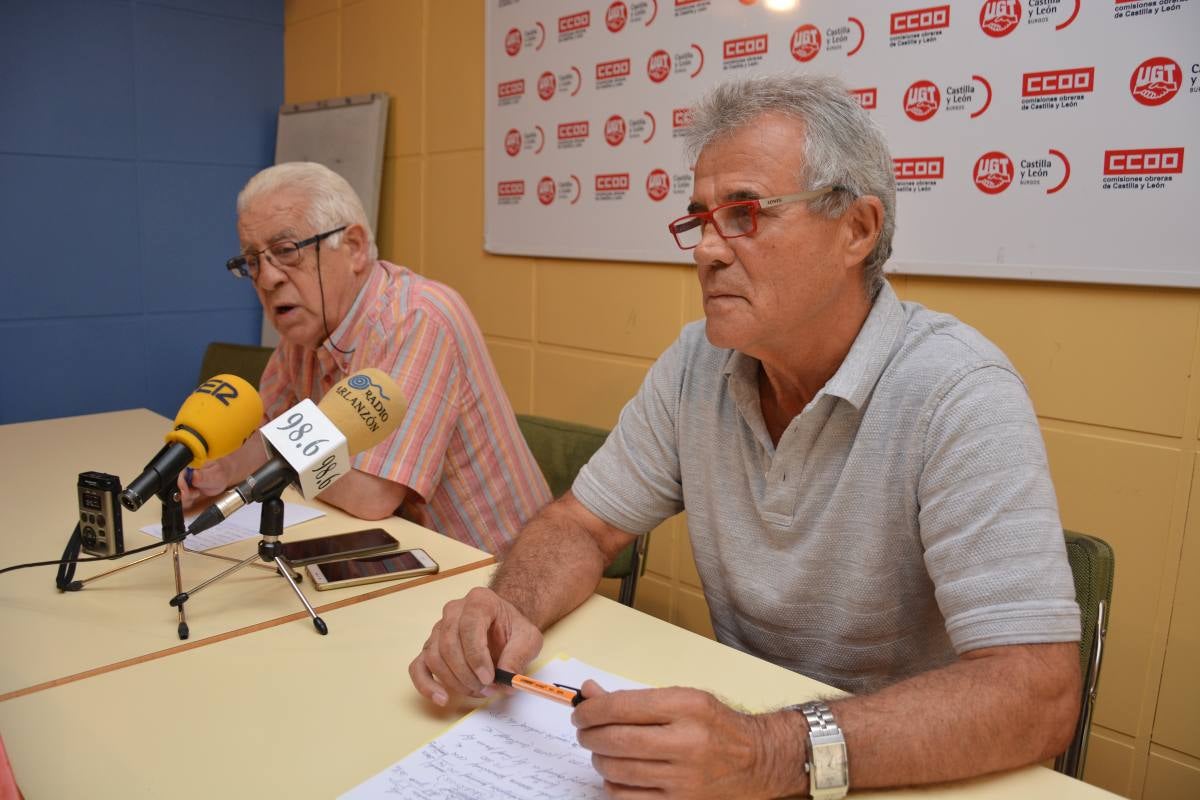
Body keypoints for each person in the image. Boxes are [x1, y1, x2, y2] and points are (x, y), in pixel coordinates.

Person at [408, 74, 1082, 798]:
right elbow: (582, 525)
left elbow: (1036, 693)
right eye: (700, 220)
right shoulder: (696, 363)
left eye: (744, 214)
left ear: (857, 229)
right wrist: (508, 606)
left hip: (897, 768)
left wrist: (768, 752)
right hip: (748, 747)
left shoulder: (958, 390)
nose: (706, 250)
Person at [181, 162, 551, 555]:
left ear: (354, 247)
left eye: (286, 251)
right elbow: (269, 435)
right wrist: (218, 472)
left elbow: (370, 495)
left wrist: (275, 453)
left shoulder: (418, 317)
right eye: (253, 262)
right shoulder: (307, 324)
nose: (268, 279)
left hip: (495, 567)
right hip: (399, 551)